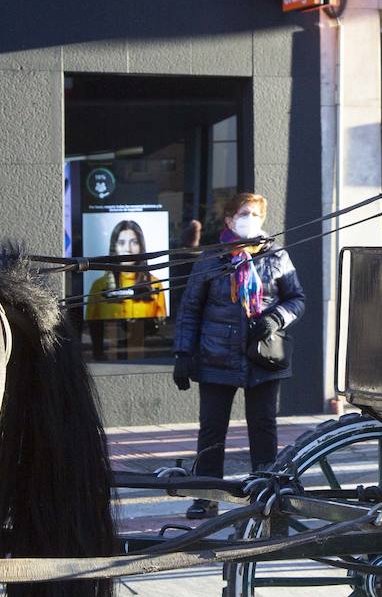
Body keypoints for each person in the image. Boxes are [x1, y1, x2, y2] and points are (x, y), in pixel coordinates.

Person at [173, 192, 305, 519]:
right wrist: (183, 354)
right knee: (212, 429)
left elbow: (297, 298)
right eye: (244, 213)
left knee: (262, 426)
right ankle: (205, 494)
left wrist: (276, 317)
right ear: (230, 220)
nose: (251, 219)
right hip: (215, 356)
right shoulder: (212, 258)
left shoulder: (276, 255)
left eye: (256, 214)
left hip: (263, 356)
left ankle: (266, 490)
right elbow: (190, 308)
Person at [86, 219, 167, 359]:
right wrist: (98, 354)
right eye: (121, 242)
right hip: (110, 358)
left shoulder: (155, 285)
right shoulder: (99, 286)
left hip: (145, 360)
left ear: (141, 246)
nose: (128, 249)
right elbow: (93, 326)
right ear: (114, 246)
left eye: (134, 242)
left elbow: (161, 327)